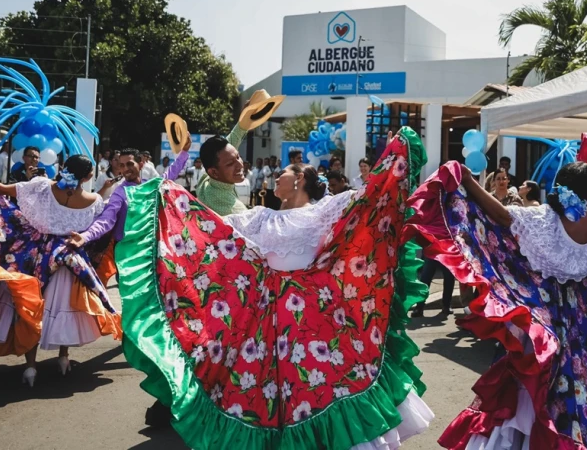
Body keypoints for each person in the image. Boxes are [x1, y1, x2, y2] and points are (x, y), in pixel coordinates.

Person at [113, 128, 434, 449]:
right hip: (268, 337)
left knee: (320, 393)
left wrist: (394, 154)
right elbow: (208, 229)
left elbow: (371, 200)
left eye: (284, 173)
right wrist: (165, 196)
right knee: (271, 406)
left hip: (316, 333)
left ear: (298, 180)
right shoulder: (257, 218)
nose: (276, 177)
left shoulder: (325, 211)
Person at [405, 145, 587, 449]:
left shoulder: (546, 220)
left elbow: (502, 215)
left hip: (549, 319)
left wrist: (467, 179)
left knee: (539, 380)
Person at [0, 155, 121, 386]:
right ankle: (63, 358)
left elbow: (1, 188)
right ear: (87, 177)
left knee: (29, 307)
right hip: (69, 257)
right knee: (65, 305)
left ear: (65, 168)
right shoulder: (94, 201)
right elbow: (99, 230)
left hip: (34, 255)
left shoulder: (42, 186)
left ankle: (30, 367)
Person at [66, 139, 190, 252]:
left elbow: (170, 174)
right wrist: (86, 236)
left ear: (141, 164)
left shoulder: (151, 186)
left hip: (152, 250)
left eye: (130, 164)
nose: (126, 169)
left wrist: (184, 152)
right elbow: (106, 219)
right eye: (122, 165)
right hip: (127, 256)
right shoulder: (120, 193)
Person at [196, 131, 248, 216]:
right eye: (230, 163)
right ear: (214, 172)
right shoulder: (234, 209)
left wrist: (242, 126)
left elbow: (227, 150)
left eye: (238, 157)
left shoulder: (205, 182)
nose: (240, 165)